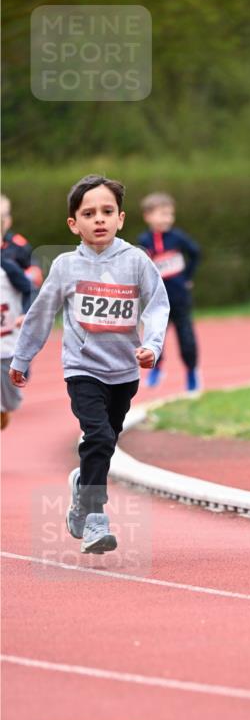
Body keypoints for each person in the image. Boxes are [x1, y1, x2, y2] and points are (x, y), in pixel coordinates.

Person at [9, 174, 169, 554]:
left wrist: (151, 344)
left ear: (121, 219)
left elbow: (159, 305)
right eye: (89, 213)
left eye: (107, 211)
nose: (99, 219)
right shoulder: (66, 266)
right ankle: (96, 516)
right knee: (96, 436)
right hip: (82, 369)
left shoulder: (136, 262)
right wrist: (22, 356)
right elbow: (40, 313)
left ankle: (84, 486)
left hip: (124, 372)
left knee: (105, 443)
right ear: (73, 223)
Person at [137, 191, 201, 390]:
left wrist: (187, 278)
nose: (168, 218)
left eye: (170, 214)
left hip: (180, 297)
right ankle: (157, 368)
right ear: (148, 216)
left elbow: (195, 253)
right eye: (162, 214)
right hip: (156, 300)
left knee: (186, 338)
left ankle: (191, 373)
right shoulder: (144, 240)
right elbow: (141, 267)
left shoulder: (177, 237)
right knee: (155, 336)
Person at [1, 258, 32, 429]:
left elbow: (29, 290)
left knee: (11, 401)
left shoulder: (9, 269)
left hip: (7, 343)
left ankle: (5, 407)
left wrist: (26, 312)